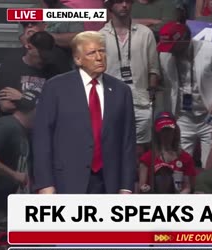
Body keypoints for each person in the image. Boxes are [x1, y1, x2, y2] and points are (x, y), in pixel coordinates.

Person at [32, 31, 137, 194]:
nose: (99, 57)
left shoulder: (121, 91)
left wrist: (126, 186)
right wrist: (45, 183)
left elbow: (128, 142)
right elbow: (42, 138)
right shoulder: (56, 88)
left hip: (108, 182)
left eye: (102, 51)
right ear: (77, 59)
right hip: (66, 180)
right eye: (92, 53)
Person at [157, 22, 212, 167]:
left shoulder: (209, 50)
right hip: (183, 116)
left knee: (209, 164)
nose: (170, 51)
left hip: (209, 116)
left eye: (173, 46)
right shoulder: (164, 55)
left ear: (185, 40)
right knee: (179, 164)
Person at [100, 0, 160, 157]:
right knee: (113, 146)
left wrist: (152, 98)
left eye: (128, 1)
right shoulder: (100, 35)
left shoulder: (145, 32)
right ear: (110, 6)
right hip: (111, 100)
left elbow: (154, 68)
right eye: (119, 2)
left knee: (139, 149)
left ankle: (137, 181)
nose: (125, 5)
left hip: (141, 100)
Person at [0, 91, 38, 250]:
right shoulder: (6, 126)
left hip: (9, 208)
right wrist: (13, 174)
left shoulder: (23, 132)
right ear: (34, 110)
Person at [0, 31, 64, 117]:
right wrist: (41, 105)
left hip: (42, 124)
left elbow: (57, 106)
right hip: (16, 124)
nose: (44, 60)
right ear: (29, 47)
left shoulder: (53, 67)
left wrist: (23, 98)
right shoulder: (10, 66)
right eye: (41, 56)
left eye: (47, 56)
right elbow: (6, 106)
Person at [139, 112, 196, 194]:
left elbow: (188, 187)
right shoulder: (147, 158)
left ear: (175, 131)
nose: (166, 134)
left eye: (169, 130)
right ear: (157, 133)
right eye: (163, 130)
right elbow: (142, 186)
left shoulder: (185, 158)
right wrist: (145, 188)